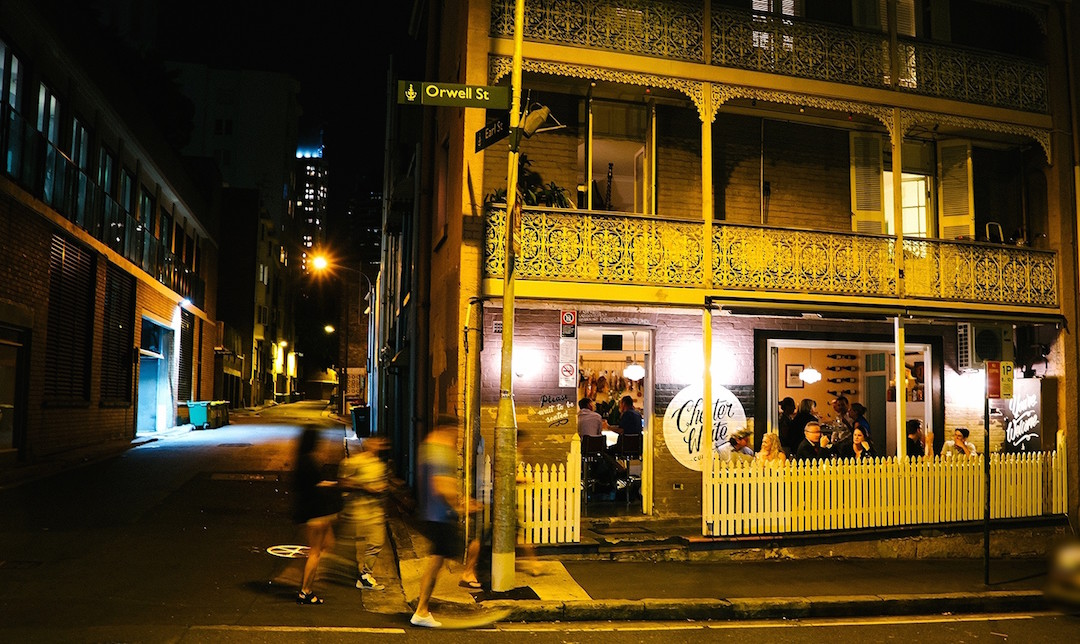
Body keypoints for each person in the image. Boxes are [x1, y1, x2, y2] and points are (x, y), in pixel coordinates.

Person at [411, 419, 478, 628]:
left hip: (432, 514)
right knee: (437, 563)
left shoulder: (428, 447)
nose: (457, 437)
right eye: (456, 431)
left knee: (437, 562)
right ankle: (421, 610)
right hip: (441, 516)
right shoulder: (440, 451)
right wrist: (460, 505)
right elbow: (441, 484)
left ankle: (422, 609)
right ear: (447, 429)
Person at [293, 425, 340, 605]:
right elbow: (316, 485)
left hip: (311, 511)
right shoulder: (309, 461)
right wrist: (331, 484)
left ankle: (308, 580)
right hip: (316, 513)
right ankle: (306, 591)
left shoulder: (301, 460)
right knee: (315, 552)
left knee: (326, 546)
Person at [336, 435, 389, 592]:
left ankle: (365, 575)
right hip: (359, 511)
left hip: (375, 512)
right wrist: (365, 487)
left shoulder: (379, 465)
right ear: (367, 445)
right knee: (345, 545)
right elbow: (343, 482)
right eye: (375, 443)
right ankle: (330, 570)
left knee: (377, 542)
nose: (378, 446)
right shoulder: (354, 462)